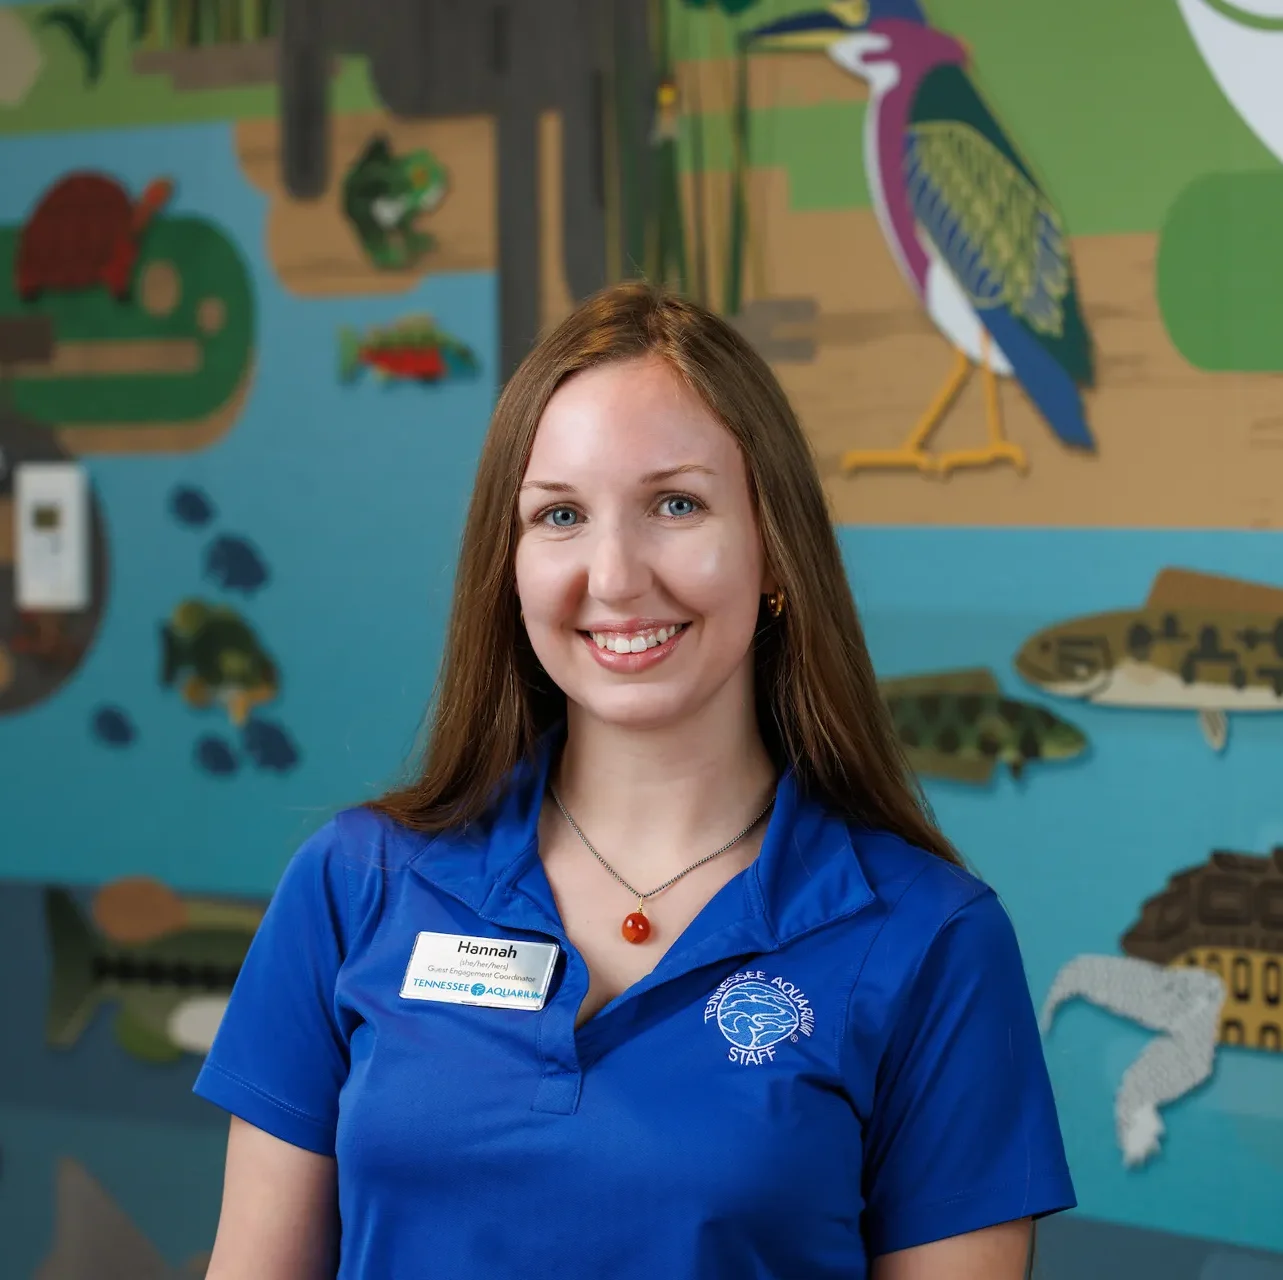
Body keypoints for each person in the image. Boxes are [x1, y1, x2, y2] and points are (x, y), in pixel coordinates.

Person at [196, 280, 1074, 1280]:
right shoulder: (354, 884)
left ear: (772, 547)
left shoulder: (931, 940)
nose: (612, 575)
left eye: (674, 503)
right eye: (559, 514)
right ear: (509, 564)